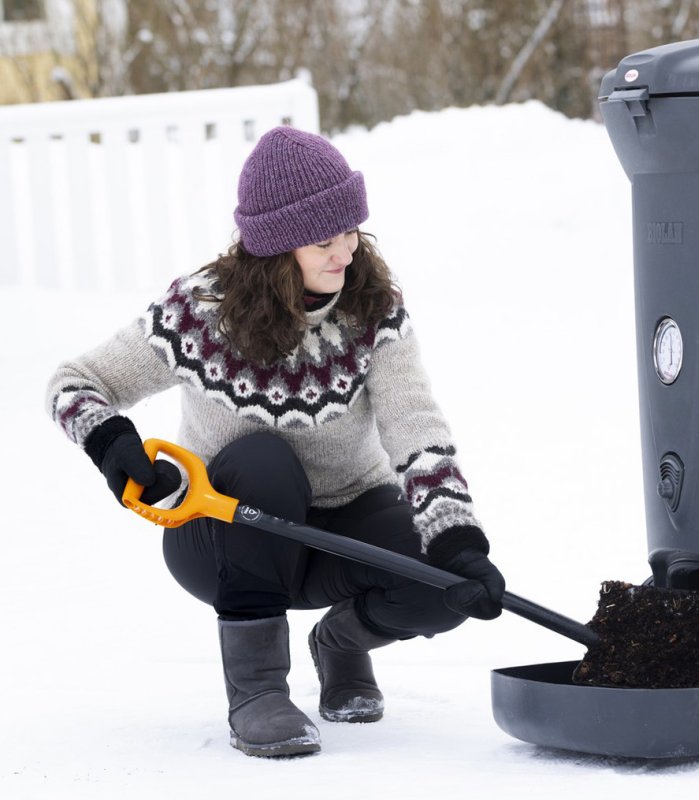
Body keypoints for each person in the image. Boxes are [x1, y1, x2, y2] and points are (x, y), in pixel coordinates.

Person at [44, 126, 506, 758]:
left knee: (438, 578)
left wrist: (456, 538)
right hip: (224, 532)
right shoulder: (199, 312)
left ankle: (339, 644)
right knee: (265, 459)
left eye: (351, 231)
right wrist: (112, 442)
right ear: (275, 248)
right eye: (323, 239)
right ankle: (258, 691)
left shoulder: (372, 311)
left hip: (337, 532)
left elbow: (414, 423)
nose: (344, 252)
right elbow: (76, 383)